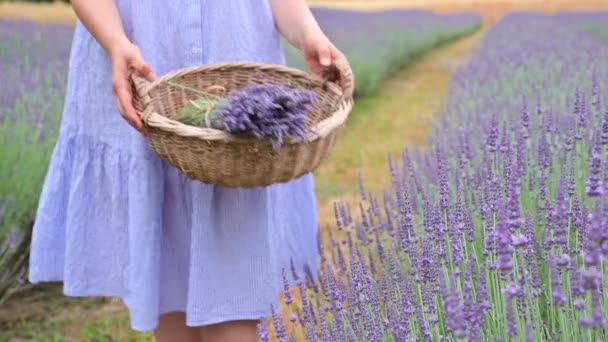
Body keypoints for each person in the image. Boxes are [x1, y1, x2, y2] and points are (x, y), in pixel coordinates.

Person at [27, 0, 352, 341]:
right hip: (141, 56)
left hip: (233, 63)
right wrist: (115, 41)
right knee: (168, 285)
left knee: (234, 301)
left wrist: (308, 33)